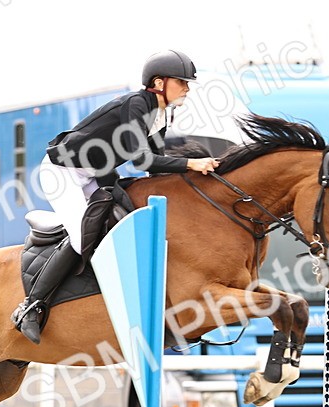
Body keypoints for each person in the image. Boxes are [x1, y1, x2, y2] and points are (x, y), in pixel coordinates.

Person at [11, 50, 220, 343]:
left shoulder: (162, 114)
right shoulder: (137, 104)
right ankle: (30, 307)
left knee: (122, 225)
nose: (187, 88)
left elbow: (156, 165)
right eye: (182, 82)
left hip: (97, 175)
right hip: (63, 173)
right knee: (82, 238)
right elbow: (142, 160)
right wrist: (191, 164)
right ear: (159, 82)